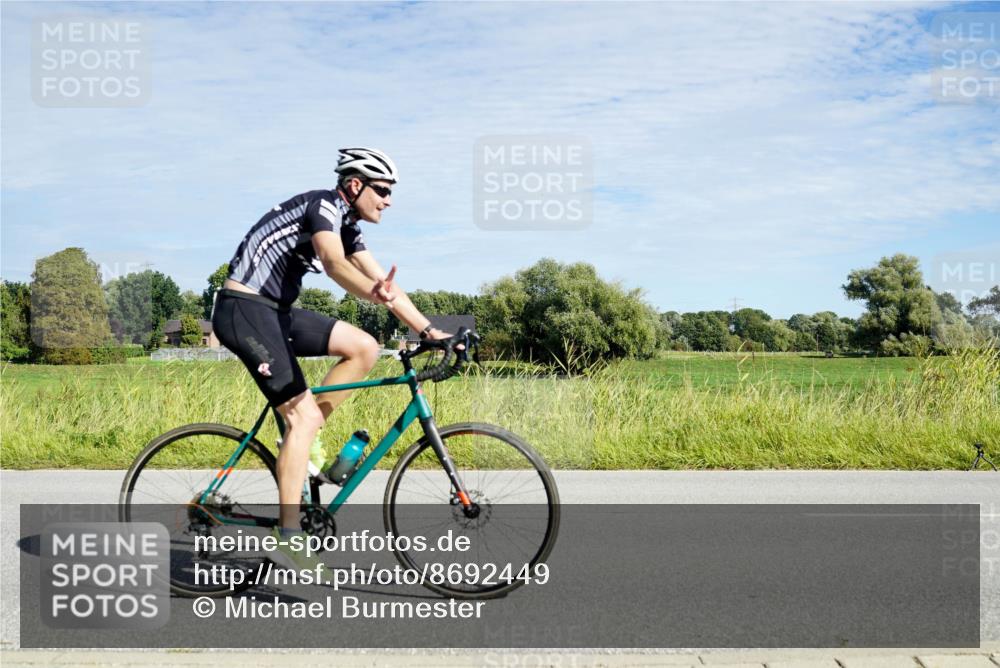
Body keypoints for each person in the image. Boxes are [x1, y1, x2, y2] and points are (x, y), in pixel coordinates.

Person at [211, 147, 451, 572]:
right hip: (244, 309)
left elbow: (386, 286)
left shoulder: (349, 227)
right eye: (382, 190)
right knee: (301, 417)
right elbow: (332, 262)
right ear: (354, 185)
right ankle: (288, 536)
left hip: (276, 312)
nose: (388, 200)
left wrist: (430, 332)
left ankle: (302, 438)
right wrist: (369, 294)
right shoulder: (323, 204)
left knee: (364, 347)